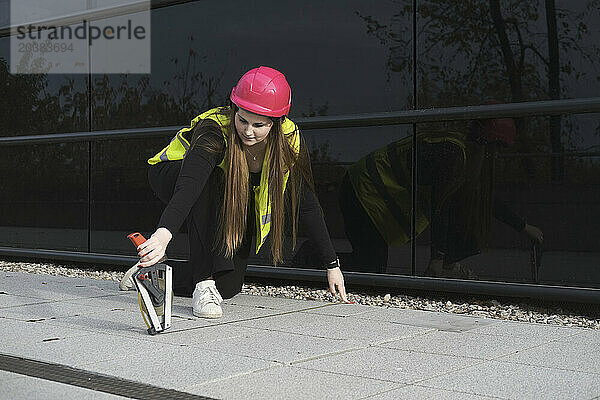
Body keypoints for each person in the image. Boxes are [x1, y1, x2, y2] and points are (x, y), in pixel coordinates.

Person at [133, 66, 349, 318]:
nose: (247, 131)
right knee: (213, 177)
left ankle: (150, 274)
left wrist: (332, 265)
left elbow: (307, 203)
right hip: (172, 175)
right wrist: (163, 234)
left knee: (228, 285)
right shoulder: (215, 129)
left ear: (276, 124)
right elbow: (190, 185)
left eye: (259, 125)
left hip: (216, 191)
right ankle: (203, 283)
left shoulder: (288, 141)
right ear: (234, 109)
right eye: (242, 119)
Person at [339, 114, 544, 278]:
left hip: (371, 191)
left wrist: (524, 227)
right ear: (487, 144)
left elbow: (481, 199)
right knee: (369, 270)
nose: (495, 156)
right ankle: (316, 259)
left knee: (371, 267)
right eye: (496, 148)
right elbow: (441, 206)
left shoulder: (462, 156)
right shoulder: (452, 155)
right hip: (362, 189)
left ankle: (448, 264)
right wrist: (436, 258)